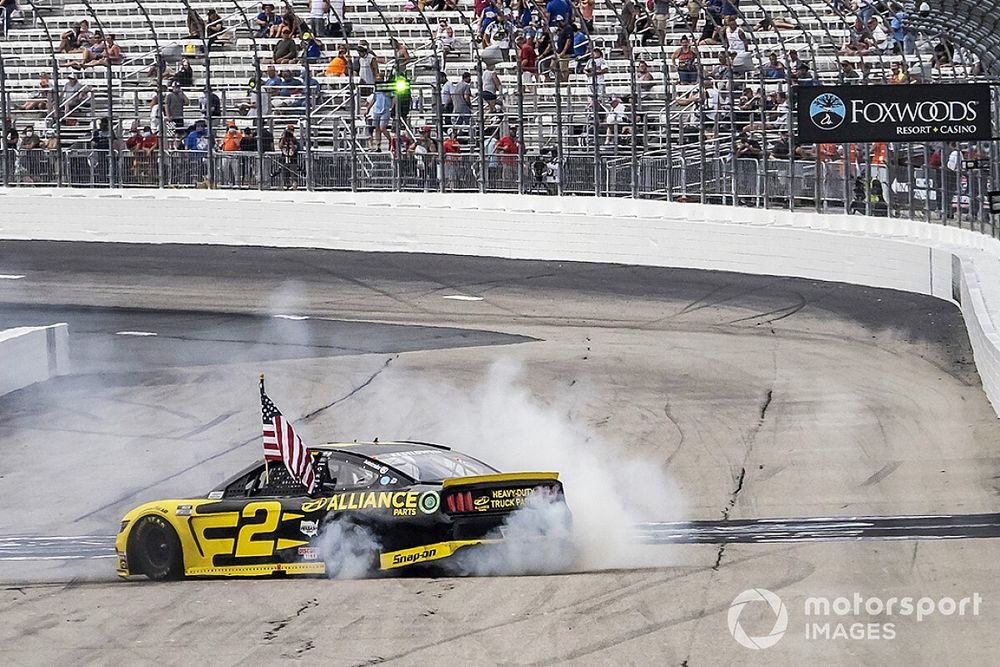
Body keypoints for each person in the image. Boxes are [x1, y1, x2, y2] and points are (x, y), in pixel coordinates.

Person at [364, 83, 392, 151]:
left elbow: (393, 97)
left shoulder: (388, 89)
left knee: (382, 127)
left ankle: (390, 140)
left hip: (385, 109)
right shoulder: (376, 89)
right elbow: (374, 99)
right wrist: (368, 109)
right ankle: (378, 146)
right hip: (376, 110)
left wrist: (392, 107)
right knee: (377, 129)